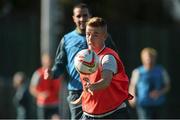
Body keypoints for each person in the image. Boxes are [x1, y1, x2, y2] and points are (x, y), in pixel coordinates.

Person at [44, 3, 117, 119]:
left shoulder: (104, 37)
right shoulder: (67, 39)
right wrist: (52, 73)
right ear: (73, 18)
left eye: (85, 15)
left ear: (90, 16)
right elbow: (60, 64)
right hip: (76, 90)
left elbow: (114, 60)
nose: (82, 19)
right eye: (78, 16)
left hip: (97, 89)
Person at [77, 17, 132, 119]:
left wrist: (93, 87)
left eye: (95, 35)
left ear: (105, 36)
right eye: (88, 34)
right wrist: (83, 95)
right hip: (89, 114)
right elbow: (87, 83)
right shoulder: (84, 57)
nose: (90, 38)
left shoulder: (107, 57)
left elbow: (106, 81)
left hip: (113, 114)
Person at [128, 47, 171, 119]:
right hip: (143, 104)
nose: (150, 60)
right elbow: (132, 86)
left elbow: (167, 85)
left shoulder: (161, 70)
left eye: (152, 57)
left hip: (158, 104)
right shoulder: (137, 72)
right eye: (148, 57)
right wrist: (132, 98)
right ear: (143, 58)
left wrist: (159, 92)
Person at [29, 53, 62, 119]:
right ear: (42, 61)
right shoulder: (38, 73)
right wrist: (40, 95)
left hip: (54, 103)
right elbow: (31, 89)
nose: (48, 62)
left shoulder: (55, 73)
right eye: (46, 60)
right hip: (43, 105)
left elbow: (58, 87)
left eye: (49, 60)